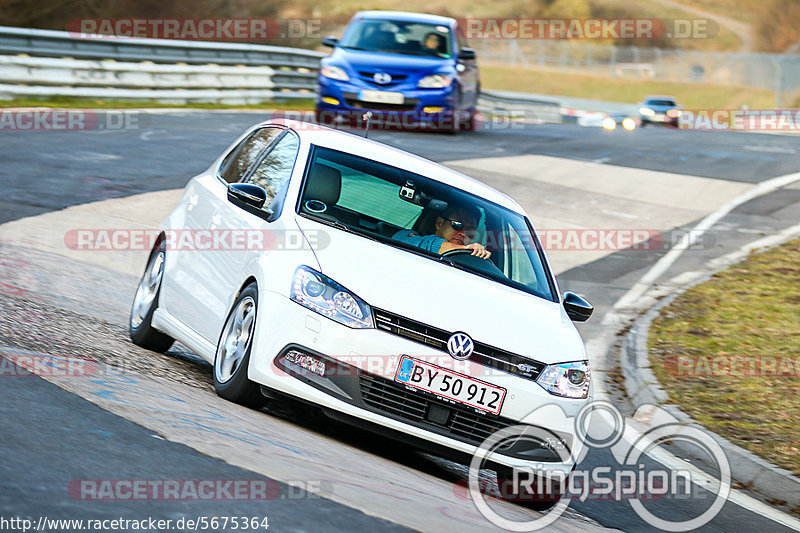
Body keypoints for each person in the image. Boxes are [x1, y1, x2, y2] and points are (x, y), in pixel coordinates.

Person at [394, 204, 491, 259]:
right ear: (439, 223)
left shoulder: (473, 259)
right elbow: (431, 244)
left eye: (470, 230)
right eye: (457, 225)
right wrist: (466, 248)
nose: (463, 233)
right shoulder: (405, 235)